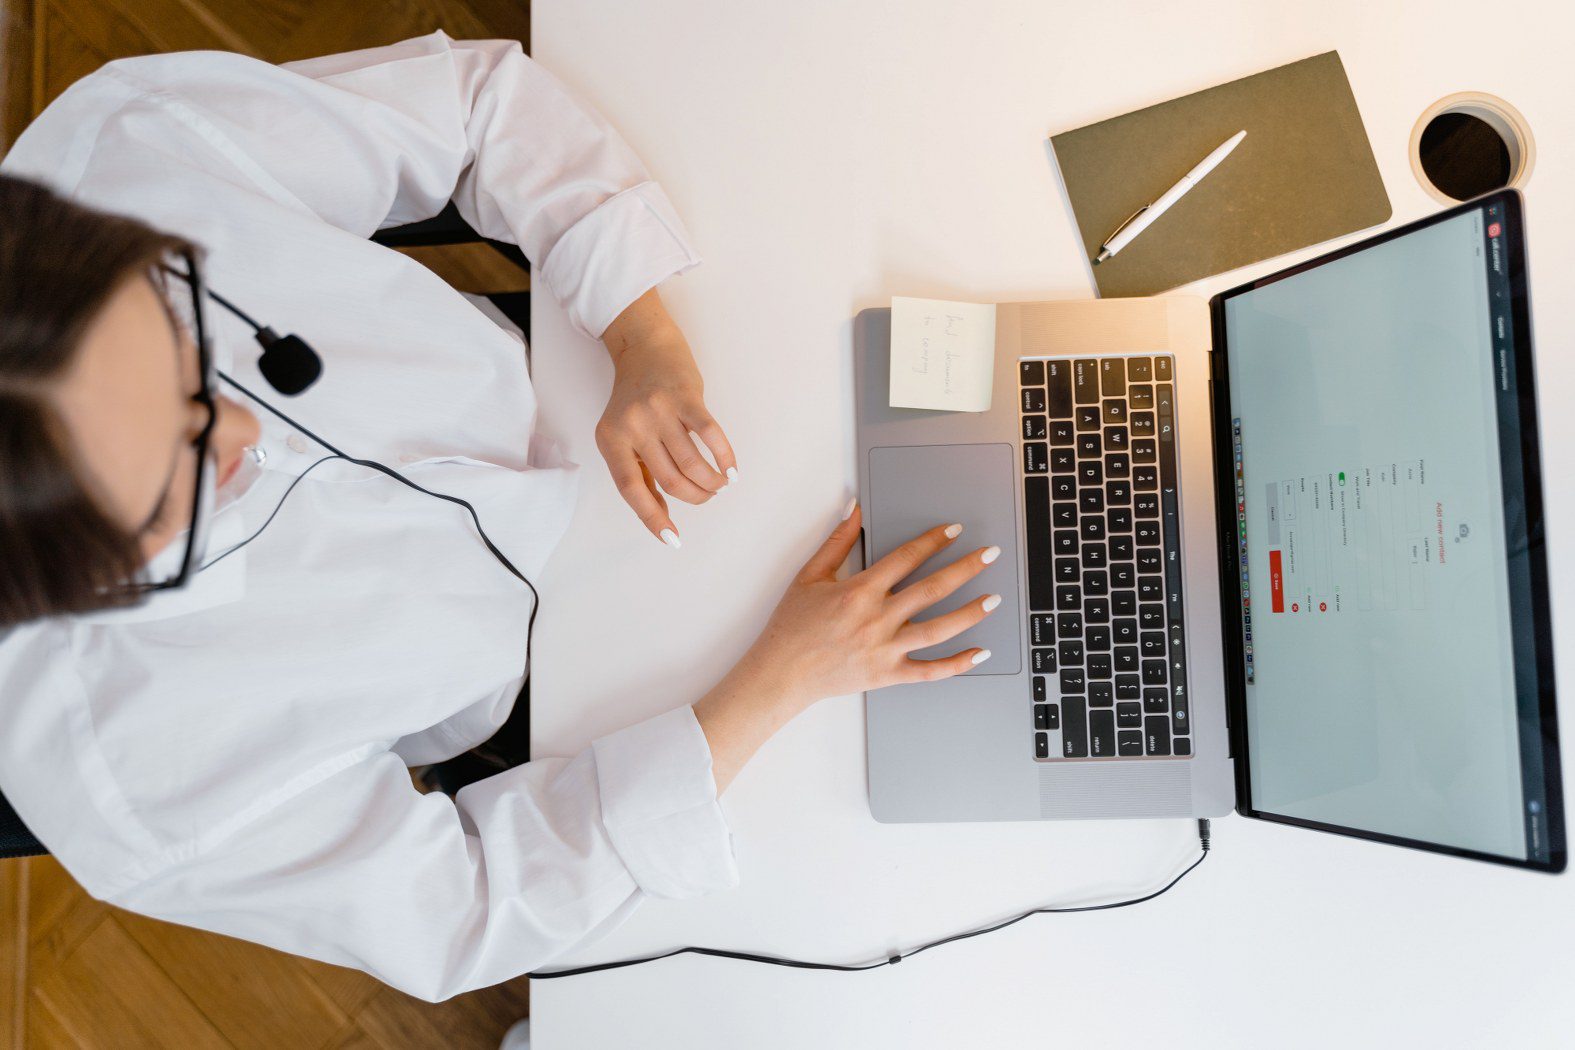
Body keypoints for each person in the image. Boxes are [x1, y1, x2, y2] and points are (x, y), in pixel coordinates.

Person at [0, 32, 999, 1001]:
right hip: (568, 696)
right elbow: (467, 905)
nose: (243, 428)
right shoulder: (133, 790)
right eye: (179, 472)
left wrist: (640, 332)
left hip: (577, 378)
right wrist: (776, 683)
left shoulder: (119, 150)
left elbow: (477, 110)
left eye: (188, 348)